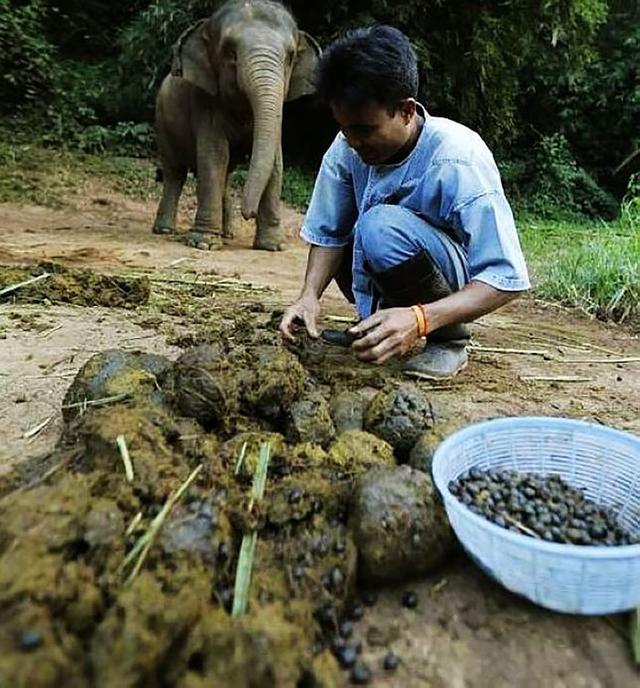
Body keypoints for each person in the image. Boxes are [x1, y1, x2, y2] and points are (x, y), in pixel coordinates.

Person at [279, 25, 530, 377]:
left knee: (378, 226)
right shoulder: (345, 148)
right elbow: (328, 234)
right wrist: (308, 297)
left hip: (450, 282)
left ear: (407, 110)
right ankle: (376, 327)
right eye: (345, 128)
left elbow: (506, 277)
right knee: (362, 228)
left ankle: (448, 340)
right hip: (388, 264)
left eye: (365, 129)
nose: (352, 141)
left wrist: (421, 318)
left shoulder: (457, 159)